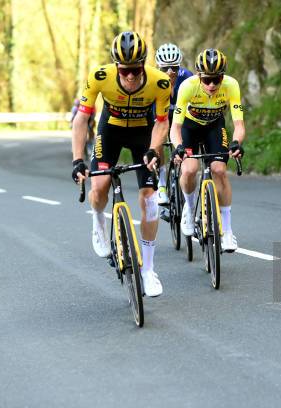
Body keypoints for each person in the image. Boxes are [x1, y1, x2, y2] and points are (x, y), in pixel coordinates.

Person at [71, 31, 171, 297]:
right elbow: (81, 120)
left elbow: (162, 122)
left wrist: (154, 149)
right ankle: (98, 222)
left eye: (135, 70)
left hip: (143, 135)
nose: (129, 76)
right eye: (124, 71)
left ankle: (148, 270)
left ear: (143, 65)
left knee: (150, 201)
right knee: (100, 185)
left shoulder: (159, 82)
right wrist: (77, 159)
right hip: (110, 132)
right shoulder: (99, 77)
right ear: (116, 66)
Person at [169, 48, 245, 253]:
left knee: (219, 170)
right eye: (207, 80)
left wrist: (236, 143)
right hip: (189, 129)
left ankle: (227, 231)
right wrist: (178, 147)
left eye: (216, 79)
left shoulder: (231, 85)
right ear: (198, 76)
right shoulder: (187, 86)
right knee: (189, 169)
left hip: (214, 127)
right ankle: (190, 205)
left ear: (223, 77)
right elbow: (175, 127)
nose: (212, 85)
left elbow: (238, 124)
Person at [153, 43, 193, 206]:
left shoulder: (187, 77)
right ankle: (162, 184)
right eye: (165, 69)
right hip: (161, 115)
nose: (170, 72)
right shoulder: (153, 80)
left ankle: (186, 181)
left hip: (181, 116)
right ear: (159, 68)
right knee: (159, 138)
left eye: (174, 68)